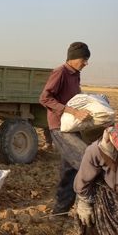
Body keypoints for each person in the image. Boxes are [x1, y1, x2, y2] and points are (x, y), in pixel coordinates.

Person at [39, 41, 92, 215]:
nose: (86, 63)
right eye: (84, 59)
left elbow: (74, 97)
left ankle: (60, 212)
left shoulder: (75, 74)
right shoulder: (60, 72)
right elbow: (45, 98)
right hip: (60, 126)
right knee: (86, 159)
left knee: (69, 169)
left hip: (72, 126)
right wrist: (72, 111)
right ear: (74, 57)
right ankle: (87, 203)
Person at [73, 123, 118, 235]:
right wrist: (84, 203)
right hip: (107, 195)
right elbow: (83, 181)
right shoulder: (95, 151)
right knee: (93, 224)